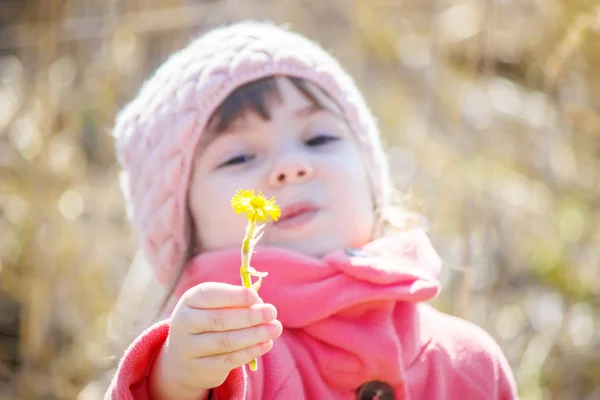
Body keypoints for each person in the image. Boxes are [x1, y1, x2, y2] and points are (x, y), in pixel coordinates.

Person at [106, 20, 518, 400]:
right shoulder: (224, 368)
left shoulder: (471, 362)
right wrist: (175, 381)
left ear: (372, 178)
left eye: (318, 138)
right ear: (182, 226)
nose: (290, 166)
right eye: (238, 157)